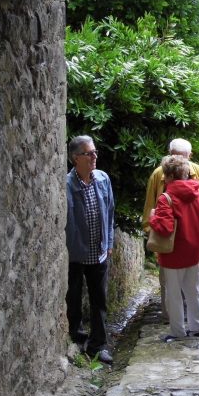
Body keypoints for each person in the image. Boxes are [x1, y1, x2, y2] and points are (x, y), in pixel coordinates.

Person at [142, 138, 199, 319]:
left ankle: (190, 323)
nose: (179, 161)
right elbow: (149, 209)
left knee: (194, 286)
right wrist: (155, 240)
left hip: (193, 243)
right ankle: (175, 321)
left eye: (182, 156)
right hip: (168, 244)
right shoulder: (157, 175)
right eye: (175, 156)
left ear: (190, 156)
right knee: (170, 286)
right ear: (169, 155)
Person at [65, 135, 115, 364]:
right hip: (76, 253)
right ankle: (76, 336)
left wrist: (110, 242)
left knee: (99, 300)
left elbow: (110, 212)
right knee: (73, 297)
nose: (95, 156)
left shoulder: (102, 179)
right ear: (76, 158)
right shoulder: (67, 185)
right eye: (89, 153)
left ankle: (98, 345)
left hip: (99, 252)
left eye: (94, 152)